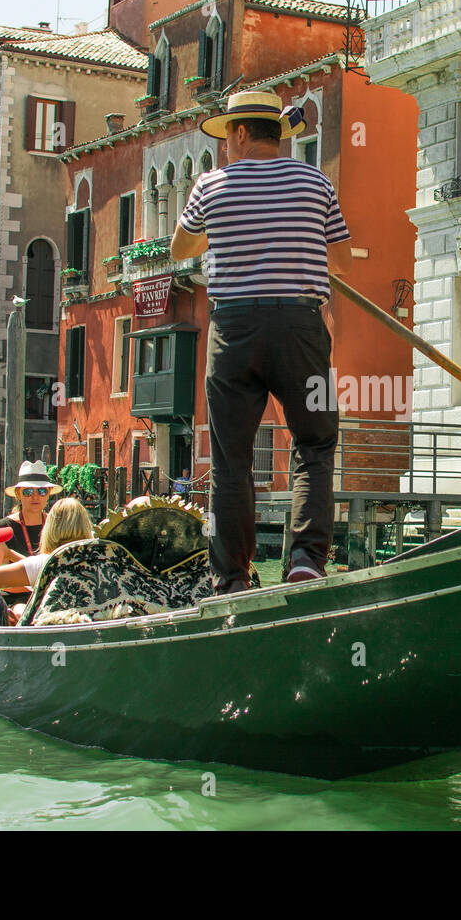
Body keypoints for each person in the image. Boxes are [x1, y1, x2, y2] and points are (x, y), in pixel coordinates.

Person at [171, 90, 353, 594]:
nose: (225, 147)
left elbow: (180, 247)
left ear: (242, 132)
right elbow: (341, 261)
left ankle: (231, 577)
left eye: (227, 136)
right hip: (302, 330)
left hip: (233, 334)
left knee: (232, 456)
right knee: (315, 444)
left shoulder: (210, 186)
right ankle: (305, 561)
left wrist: (223, 231)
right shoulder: (316, 182)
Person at [0, 497, 94, 623]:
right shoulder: (101, 557)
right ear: (87, 525)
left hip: (55, 633)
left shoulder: (45, 563)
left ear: (49, 529)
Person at [3, 460, 62, 557]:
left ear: (48, 494)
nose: (35, 497)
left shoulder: (57, 526)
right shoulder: (3, 528)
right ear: (18, 494)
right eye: (28, 491)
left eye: (42, 491)